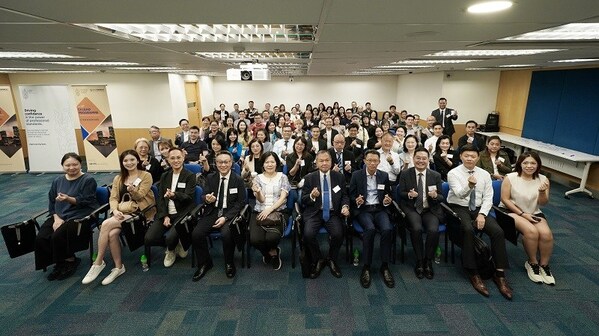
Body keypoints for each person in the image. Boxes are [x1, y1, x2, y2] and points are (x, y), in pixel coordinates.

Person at [447, 144, 513, 300]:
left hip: (479, 208)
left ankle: (500, 273)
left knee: (498, 232)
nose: (469, 158)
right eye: (466, 156)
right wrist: (469, 185)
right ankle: (474, 272)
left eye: (473, 156)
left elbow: (488, 197)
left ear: (478, 157)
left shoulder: (484, 174)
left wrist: (482, 214)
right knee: (468, 230)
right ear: (461, 156)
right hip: (459, 206)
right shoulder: (453, 173)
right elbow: (459, 194)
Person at [82, 150, 155, 285]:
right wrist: (114, 211)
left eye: (132, 160)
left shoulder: (146, 175)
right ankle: (118, 267)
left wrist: (133, 191)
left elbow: (141, 196)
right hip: (121, 213)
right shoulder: (118, 178)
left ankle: (98, 262)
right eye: (125, 161)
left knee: (105, 225)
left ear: (138, 160)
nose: (129, 163)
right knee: (112, 234)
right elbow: (113, 198)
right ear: (122, 163)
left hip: (141, 213)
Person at [34, 153, 98, 280]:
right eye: (67, 165)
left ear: (80, 164)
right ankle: (59, 262)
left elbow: (87, 201)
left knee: (58, 236)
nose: (71, 168)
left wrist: (68, 199)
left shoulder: (88, 180)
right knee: (42, 237)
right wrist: (56, 218)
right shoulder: (58, 180)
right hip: (60, 214)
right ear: (62, 166)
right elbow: (52, 201)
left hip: (80, 214)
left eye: (75, 164)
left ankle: (70, 260)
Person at [499, 152, 555, 285]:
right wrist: (523, 214)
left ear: (538, 165)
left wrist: (542, 192)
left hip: (534, 211)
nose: (529, 166)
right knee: (531, 232)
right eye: (525, 163)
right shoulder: (510, 177)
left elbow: (543, 203)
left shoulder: (543, 179)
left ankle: (544, 266)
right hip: (512, 211)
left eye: (533, 163)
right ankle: (532, 262)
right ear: (520, 164)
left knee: (546, 234)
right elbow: (505, 199)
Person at [191, 151, 248, 281]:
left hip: (229, 214)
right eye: (220, 162)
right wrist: (207, 198)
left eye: (226, 162)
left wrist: (226, 217)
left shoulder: (238, 179)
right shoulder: (211, 178)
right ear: (216, 164)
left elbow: (240, 203)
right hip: (213, 211)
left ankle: (229, 262)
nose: (223, 165)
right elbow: (204, 195)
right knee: (196, 234)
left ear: (231, 163)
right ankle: (205, 263)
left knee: (227, 234)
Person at [349, 150, 395, 288]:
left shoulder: (383, 175)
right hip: (364, 209)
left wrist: (387, 200)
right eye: (369, 160)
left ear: (379, 162)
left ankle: (384, 266)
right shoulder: (356, 175)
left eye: (375, 161)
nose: (372, 163)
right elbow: (350, 195)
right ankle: (366, 266)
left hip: (379, 209)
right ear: (364, 161)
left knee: (387, 230)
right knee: (370, 229)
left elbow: (388, 194)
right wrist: (356, 200)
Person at [301, 150, 350, 279]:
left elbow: (344, 195)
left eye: (327, 160)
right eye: (321, 161)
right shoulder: (309, 178)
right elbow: (303, 199)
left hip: (333, 213)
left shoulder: (339, 177)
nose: (324, 163)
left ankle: (332, 259)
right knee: (308, 234)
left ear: (331, 162)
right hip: (315, 213)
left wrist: (345, 206)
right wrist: (312, 196)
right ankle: (318, 259)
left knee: (338, 234)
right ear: (316, 163)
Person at [144, 148, 196, 268]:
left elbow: (188, 197)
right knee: (149, 238)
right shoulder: (165, 176)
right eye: (172, 158)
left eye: (178, 157)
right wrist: (165, 216)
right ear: (168, 160)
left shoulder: (190, 176)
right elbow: (160, 199)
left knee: (170, 238)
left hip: (182, 212)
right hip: (167, 212)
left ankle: (171, 249)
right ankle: (176, 243)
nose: (176, 160)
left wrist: (174, 195)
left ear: (183, 158)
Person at [398, 147, 444, 280]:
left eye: (424, 158)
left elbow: (441, 197)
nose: (421, 161)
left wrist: (435, 195)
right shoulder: (406, 174)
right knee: (416, 229)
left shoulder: (435, 175)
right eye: (418, 158)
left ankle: (428, 260)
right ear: (413, 159)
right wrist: (409, 195)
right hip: (412, 208)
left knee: (433, 230)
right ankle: (419, 260)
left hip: (430, 209)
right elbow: (401, 193)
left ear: (428, 160)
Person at [249, 152, 291, 270]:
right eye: (267, 162)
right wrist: (257, 192)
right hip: (259, 211)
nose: (270, 164)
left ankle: (274, 251)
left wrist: (269, 210)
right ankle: (268, 253)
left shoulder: (283, 177)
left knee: (271, 238)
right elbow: (261, 200)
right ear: (263, 164)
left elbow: (283, 198)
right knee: (255, 240)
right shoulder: (257, 178)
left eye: (272, 162)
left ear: (277, 163)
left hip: (278, 212)